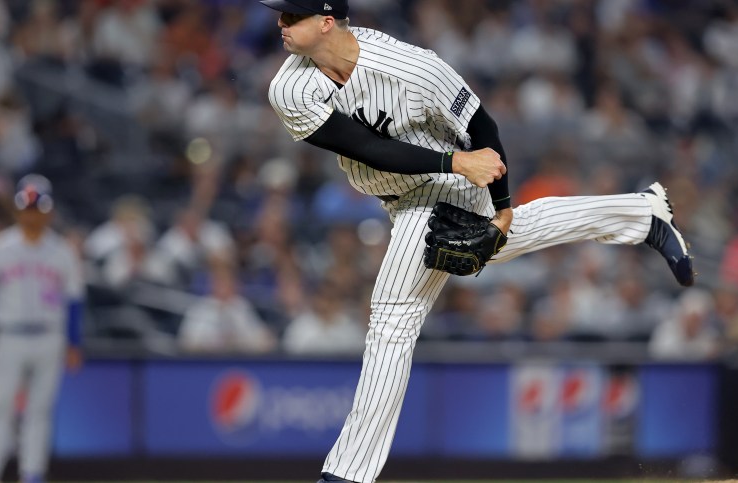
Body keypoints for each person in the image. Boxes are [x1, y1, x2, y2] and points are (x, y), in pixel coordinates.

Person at [259, 1, 694, 481]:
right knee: (508, 240)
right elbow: (365, 147)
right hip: (417, 184)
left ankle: (347, 474)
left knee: (392, 320)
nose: (278, 24)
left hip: (451, 184)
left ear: (324, 22)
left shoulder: (414, 67)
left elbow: (483, 130)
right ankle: (642, 213)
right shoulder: (290, 86)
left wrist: (500, 203)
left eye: (288, 16)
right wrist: (476, 189)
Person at [0, 175, 85, 483]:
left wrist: (74, 342)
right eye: (26, 208)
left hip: (49, 337)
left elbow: (74, 300)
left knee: (39, 411)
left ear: (49, 212)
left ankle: (33, 474)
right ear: (17, 211)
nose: (32, 215)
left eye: (38, 208)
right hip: (9, 336)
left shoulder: (62, 252)